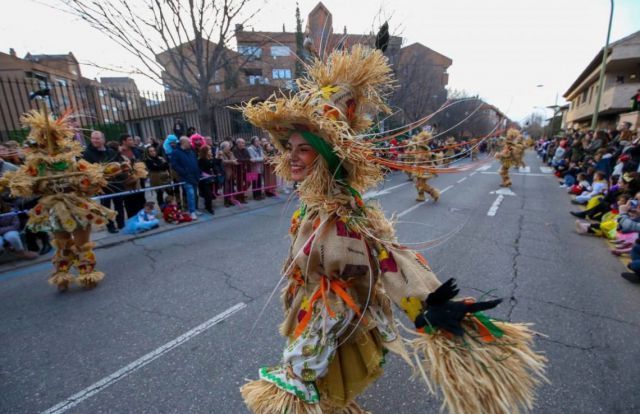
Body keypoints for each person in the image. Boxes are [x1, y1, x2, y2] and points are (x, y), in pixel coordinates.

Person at [239, 44, 545, 414]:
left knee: (309, 400)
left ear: (326, 155)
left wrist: (430, 305)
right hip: (307, 313)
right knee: (328, 401)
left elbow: (391, 258)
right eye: (290, 147)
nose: (291, 156)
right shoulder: (309, 205)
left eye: (303, 149)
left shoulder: (347, 212)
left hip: (332, 321)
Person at [1, 106, 126, 291]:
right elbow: (25, 185)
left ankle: (86, 274)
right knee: (62, 243)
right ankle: (62, 275)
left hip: (77, 206)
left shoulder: (71, 161)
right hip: (54, 208)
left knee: (83, 243)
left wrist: (105, 172)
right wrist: (14, 183)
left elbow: (89, 178)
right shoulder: (36, 166)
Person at [83, 131, 126, 233]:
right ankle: (110, 226)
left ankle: (121, 223)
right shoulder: (88, 153)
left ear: (103, 139)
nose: (94, 140)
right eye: (93, 138)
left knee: (119, 203)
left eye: (97, 138)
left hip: (115, 182)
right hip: (101, 184)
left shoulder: (110, 151)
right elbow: (87, 168)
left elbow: (118, 163)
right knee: (105, 206)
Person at [170, 137, 200, 220]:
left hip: (194, 176)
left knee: (194, 193)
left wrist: (198, 172)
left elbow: (195, 162)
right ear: (183, 143)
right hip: (185, 177)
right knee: (190, 194)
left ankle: (194, 209)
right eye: (188, 142)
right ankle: (192, 212)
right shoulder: (176, 152)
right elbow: (174, 165)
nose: (190, 144)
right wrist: (184, 172)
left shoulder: (191, 151)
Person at [119, 133, 146, 219]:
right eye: (130, 140)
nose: (132, 141)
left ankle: (142, 217)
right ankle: (133, 219)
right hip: (127, 181)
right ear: (124, 141)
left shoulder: (136, 150)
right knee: (130, 202)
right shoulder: (118, 152)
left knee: (141, 199)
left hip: (138, 179)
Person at [409, 131, 439, 202]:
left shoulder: (425, 148)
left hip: (424, 168)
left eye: (423, 138)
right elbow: (414, 151)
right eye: (421, 137)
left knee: (421, 184)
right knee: (417, 184)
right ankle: (421, 196)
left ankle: (434, 193)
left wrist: (423, 157)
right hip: (418, 167)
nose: (421, 139)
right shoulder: (418, 146)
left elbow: (428, 156)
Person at [197, 145, 217, 215]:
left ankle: (208, 206)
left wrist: (213, 159)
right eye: (209, 150)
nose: (210, 151)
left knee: (209, 193)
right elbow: (201, 170)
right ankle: (209, 208)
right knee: (207, 194)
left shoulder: (209, 158)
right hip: (204, 179)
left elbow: (213, 166)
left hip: (209, 178)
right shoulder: (201, 160)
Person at [219, 141, 238, 207]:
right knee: (226, 188)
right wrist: (232, 161)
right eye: (228, 146)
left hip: (231, 172)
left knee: (232, 187)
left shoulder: (231, 153)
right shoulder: (220, 153)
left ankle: (231, 200)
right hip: (225, 172)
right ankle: (226, 202)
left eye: (229, 146)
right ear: (223, 147)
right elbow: (223, 162)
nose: (229, 147)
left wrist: (232, 161)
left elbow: (234, 159)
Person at [233, 138, 251, 204]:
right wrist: (244, 160)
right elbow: (238, 159)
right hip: (239, 170)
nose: (244, 144)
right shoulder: (234, 150)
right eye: (242, 143)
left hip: (247, 169)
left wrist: (243, 160)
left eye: (244, 143)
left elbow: (249, 158)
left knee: (249, 182)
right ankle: (241, 197)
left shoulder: (245, 149)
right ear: (238, 143)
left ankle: (239, 194)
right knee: (240, 184)